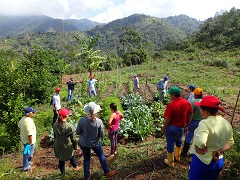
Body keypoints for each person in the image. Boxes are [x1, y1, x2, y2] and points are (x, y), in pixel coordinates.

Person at [189, 95, 234, 180]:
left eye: (200, 109)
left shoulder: (205, 123)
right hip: (218, 161)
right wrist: (219, 150)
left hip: (203, 162)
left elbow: (201, 142)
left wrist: (197, 148)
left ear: (206, 112)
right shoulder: (226, 123)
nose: (200, 111)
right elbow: (230, 142)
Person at [76, 102, 115, 180]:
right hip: (95, 143)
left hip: (83, 143)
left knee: (87, 159)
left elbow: (77, 132)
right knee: (101, 156)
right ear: (95, 111)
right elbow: (102, 135)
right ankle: (107, 172)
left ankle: (86, 177)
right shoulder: (98, 121)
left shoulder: (82, 120)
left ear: (87, 111)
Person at [161, 86, 193, 167]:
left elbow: (168, 119)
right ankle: (177, 157)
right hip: (181, 127)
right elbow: (190, 114)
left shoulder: (171, 105)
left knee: (170, 144)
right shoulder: (186, 103)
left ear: (173, 95)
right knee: (179, 142)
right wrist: (187, 126)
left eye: (170, 95)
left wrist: (164, 128)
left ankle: (170, 162)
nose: (169, 96)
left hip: (171, 128)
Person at [53, 108, 80, 175]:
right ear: (67, 116)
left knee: (61, 158)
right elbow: (74, 139)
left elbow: (55, 136)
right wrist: (75, 146)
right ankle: (76, 167)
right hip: (67, 145)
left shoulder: (55, 125)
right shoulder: (69, 126)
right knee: (71, 156)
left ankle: (63, 173)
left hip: (58, 144)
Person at [181, 88, 204, 157]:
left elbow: (189, 114)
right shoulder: (205, 102)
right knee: (198, 138)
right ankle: (194, 153)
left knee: (188, 136)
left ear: (195, 95)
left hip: (193, 122)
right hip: (202, 123)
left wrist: (187, 124)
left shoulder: (193, 102)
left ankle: (184, 153)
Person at [18, 106, 37, 171]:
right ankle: (26, 167)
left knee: (28, 153)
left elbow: (19, 126)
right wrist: (30, 142)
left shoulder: (22, 119)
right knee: (28, 154)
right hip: (28, 141)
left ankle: (28, 163)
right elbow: (29, 133)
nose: (34, 113)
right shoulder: (28, 121)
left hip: (24, 140)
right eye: (33, 112)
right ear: (29, 114)